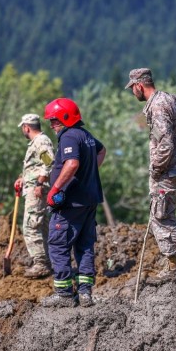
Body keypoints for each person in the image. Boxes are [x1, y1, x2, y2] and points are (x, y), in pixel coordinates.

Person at [125, 68, 176, 285]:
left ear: (138, 85)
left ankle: (174, 269)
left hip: (165, 174)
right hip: (175, 170)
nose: (132, 92)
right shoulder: (168, 99)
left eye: (132, 88)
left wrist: (156, 168)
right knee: (163, 216)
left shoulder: (158, 105)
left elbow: (166, 143)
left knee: (163, 219)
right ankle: (171, 264)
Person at [41, 97, 106, 308]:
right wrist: (90, 173)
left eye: (54, 121)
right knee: (84, 245)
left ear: (65, 118)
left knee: (58, 244)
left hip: (71, 203)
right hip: (89, 200)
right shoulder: (85, 135)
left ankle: (64, 294)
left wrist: (56, 189)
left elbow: (72, 163)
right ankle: (85, 293)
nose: (51, 125)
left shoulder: (68, 136)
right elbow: (101, 150)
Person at [13, 114, 55, 278]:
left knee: (31, 226)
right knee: (41, 225)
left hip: (37, 190)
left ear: (26, 127)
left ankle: (41, 264)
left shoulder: (41, 141)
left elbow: (49, 162)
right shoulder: (38, 142)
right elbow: (38, 166)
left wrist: (39, 184)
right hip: (33, 187)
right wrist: (24, 179)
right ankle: (47, 262)